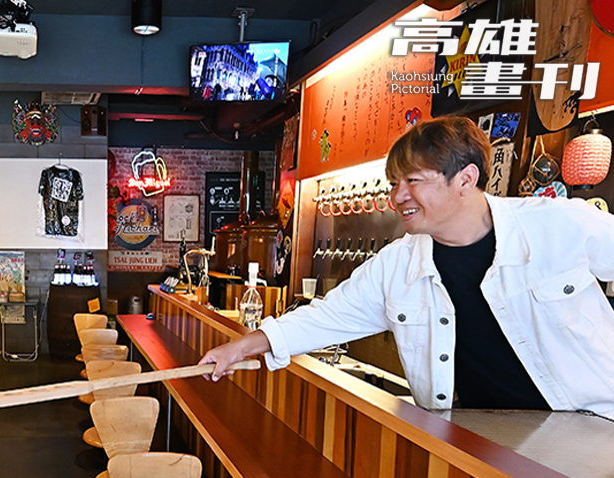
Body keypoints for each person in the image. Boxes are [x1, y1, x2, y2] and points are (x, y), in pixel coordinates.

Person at [201, 115, 614, 419]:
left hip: (584, 429)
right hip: (474, 438)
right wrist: (240, 346)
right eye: (393, 182)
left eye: (413, 180)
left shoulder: (558, 224)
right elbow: (328, 317)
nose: (398, 196)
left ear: (466, 179)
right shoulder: (398, 263)